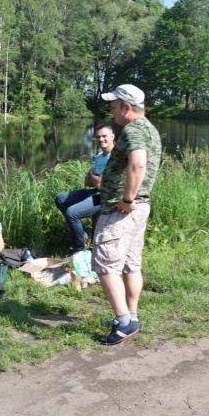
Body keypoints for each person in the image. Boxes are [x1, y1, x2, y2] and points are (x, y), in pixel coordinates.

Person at [94, 84, 161, 345]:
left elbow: (138, 163)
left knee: (105, 264)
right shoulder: (149, 128)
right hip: (139, 208)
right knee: (130, 264)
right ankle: (130, 315)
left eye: (113, 106)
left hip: (122, 210)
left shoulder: (133, 130)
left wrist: (126, 199)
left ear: (127, 107)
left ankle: (124, 321)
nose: (111, 112)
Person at [54, 123, 115, 253]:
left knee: (72, 213)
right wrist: (95, 177)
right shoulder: (99, 156)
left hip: (104, 196)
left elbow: (100, 185)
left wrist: (93, 176)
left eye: (104, 136)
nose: (101, 139)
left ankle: (79, 249)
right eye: (98, 137)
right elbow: (87, 182)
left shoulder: (115, 157)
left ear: (112, 137)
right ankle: (82, 232)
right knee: (60, 199)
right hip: (94, 192)